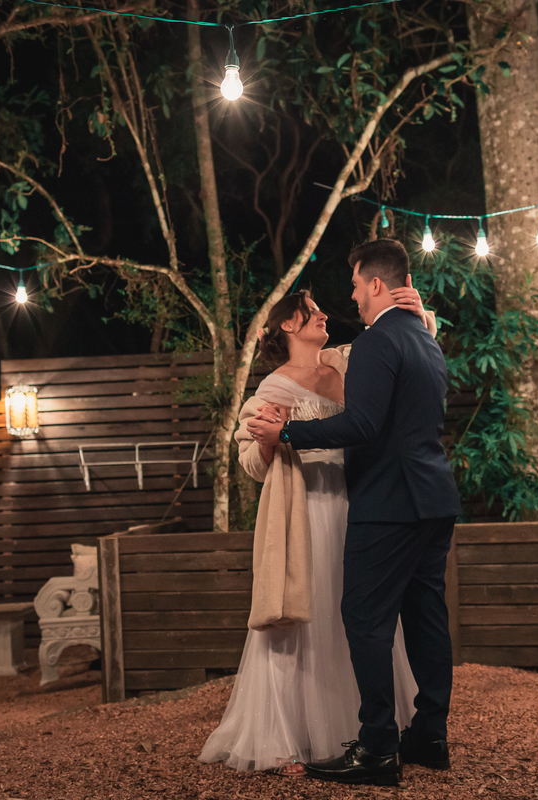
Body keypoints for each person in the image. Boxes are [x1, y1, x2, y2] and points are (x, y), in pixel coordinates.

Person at [198, 280, 436, 776]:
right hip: (309, 511)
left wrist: (420, 313)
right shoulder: (272, 387)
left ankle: (375, 729)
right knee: (311, 614)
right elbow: (252, 463)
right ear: (288, 325)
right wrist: (269, 437)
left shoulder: (348, 361)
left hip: (363, 501)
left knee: (365, 615)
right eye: (311, 311)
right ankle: (289, 735)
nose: (325, 314)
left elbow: (400, 349)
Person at [246, 238, 462, 787]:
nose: (347, 300)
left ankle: (376, 747)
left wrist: (289, 430)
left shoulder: (371, 344)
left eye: (354, 286)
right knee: (425, 618)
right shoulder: (424, 341)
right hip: (433, 497)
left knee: (365, 622)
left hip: (387, 503)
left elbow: (362, 426)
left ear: (374, 284)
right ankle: (430, 735)